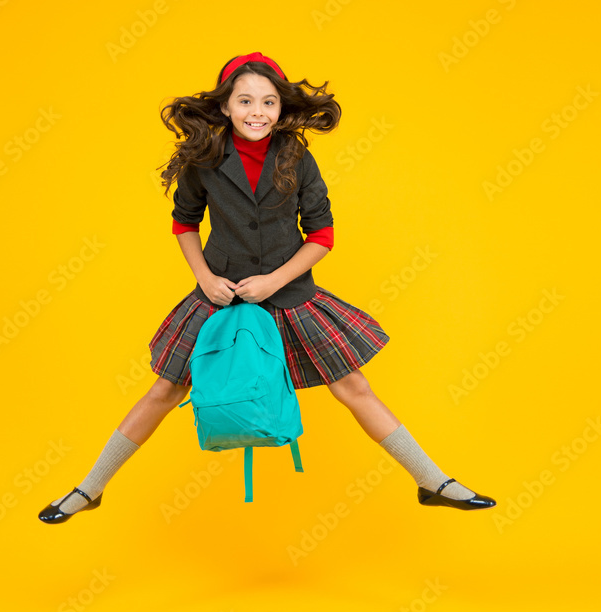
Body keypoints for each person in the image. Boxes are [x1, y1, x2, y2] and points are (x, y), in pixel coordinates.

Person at [38, 52, 495, 524]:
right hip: (221, 296)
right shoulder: (204, 159)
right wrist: (206, 279)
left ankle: (432, 482)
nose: (258, 111)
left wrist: (276, 280)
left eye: (269, 102)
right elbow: (184, 221)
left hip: (291, 295)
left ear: (281, 108)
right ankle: (89, 490)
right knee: (164, 391)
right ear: (225, 107)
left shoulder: (298, 157)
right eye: (246, 101)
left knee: (354, 386)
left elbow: (322, 235)